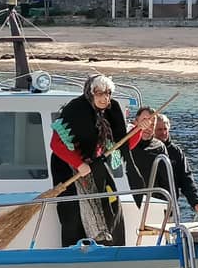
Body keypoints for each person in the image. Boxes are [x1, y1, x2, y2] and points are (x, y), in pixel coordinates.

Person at [49, 74, 149, 247]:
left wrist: (139, 130)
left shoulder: (112, 110)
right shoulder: (75, 109)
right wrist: (78, 164)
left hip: (95, 165)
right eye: (100, 93)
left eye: (108, 93)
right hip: (67, 165)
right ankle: (76, 249)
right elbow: (55, 143)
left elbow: (120, 145)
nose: (105, 98)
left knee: (111, 201)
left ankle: (112, 245)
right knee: (73, 209)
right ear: (90, 93)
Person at [154, 113, 198, 216]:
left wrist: (196, 202)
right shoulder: (145, 150)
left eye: (165, 129)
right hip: (147, 204)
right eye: (159, 130)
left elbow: (186, 179)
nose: (163, 132)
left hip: (169, 207)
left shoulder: (176, 152)